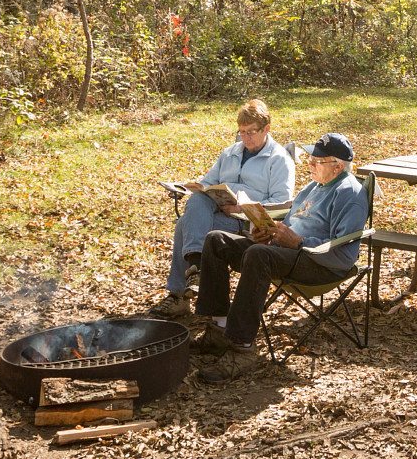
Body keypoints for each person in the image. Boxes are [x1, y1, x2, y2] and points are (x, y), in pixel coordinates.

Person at [193, 133, 369, 381]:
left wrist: (299, 242)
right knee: (216, 240)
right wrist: (269, 232)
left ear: (338, 166)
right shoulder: (314, 186)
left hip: (319, 264)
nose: (310, 164)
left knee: (258, 255)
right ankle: (219, 329)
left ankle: (242, 348)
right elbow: (292, 223)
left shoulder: (349, 194)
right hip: (288, 251)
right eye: (310, 159)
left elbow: (344, 254)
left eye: (317, 161)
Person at [150, 99, 295, 319]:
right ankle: (196, 270)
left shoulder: (279, 160)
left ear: (266, 129)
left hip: (247, 223)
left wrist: (241, 208)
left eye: (251, 132)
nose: (245, 138)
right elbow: (208, 182)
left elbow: (281, 204)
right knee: (197, 201)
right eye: (242, 131)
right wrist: (200, 188)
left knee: (183, 224)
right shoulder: (230, 153)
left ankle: (181, 292)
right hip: (215, 211)